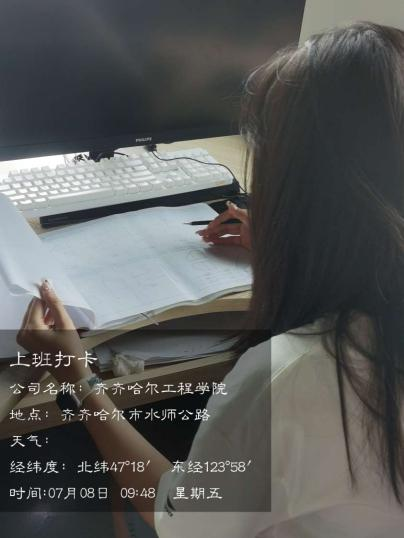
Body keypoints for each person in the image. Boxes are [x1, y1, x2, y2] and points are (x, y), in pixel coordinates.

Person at [18, 21, 404, 537]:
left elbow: (178, 520)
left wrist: (78, 379)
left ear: (301, 192)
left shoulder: (293, 379)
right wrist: (292, 244)